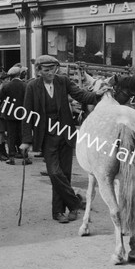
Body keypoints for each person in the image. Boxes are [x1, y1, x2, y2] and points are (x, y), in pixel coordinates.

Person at [20, 55, 108, 223]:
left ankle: (59, 212)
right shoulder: (32, 86)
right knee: (54, 173)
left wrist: (96, 95)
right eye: (46, 70)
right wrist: (26, 140)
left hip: (66, 133)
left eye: (53, 69)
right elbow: (27, 115)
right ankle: (75, 203)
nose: (51, 73)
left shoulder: (63, 81)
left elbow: (80, 95)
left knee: (65, 174)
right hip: (46, 136)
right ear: (38, 71)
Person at [0, 64, 30, 165]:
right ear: (19, 74)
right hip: (23, 115)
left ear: (10, 76)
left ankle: (11, 157)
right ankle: (25, 158)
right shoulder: (25, 86)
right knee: (23, 135)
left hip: (10, 115)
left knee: (11, 136)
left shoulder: (6, 86)